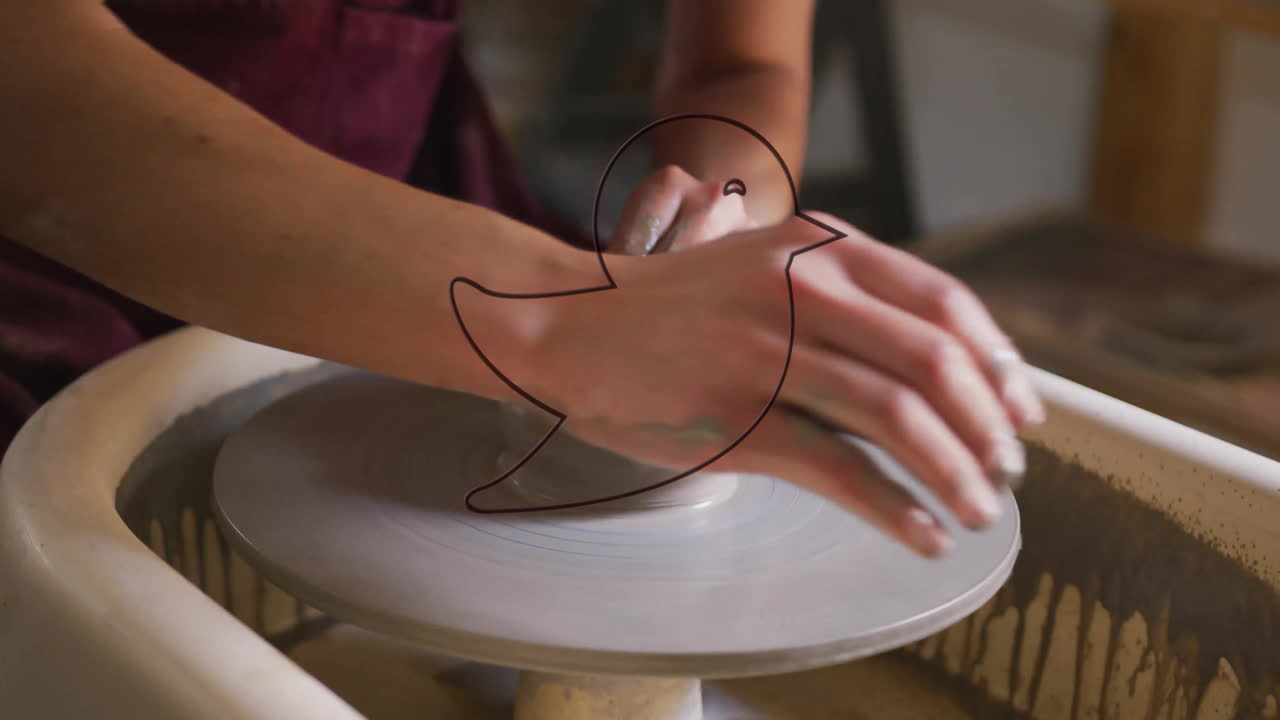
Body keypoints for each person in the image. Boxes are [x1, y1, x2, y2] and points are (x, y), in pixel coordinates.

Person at [0, 1, 1043, 557]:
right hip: (56, 235)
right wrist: (548, 323)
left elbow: (740, 64)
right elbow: (28, 81)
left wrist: (718, 220)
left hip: (403, 175)